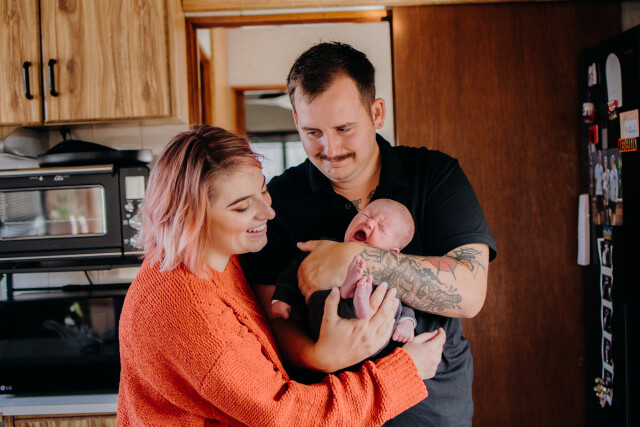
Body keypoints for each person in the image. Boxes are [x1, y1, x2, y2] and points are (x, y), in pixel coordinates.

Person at [117, 125, 447, 426]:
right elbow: (287, 416)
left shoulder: (216, 256)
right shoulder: (190, 314)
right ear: (192, 217)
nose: (268, 211)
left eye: (263, 190)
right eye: (242, 207)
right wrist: (405, 372)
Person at [241, 42, 497, 426]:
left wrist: (352, 258)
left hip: (432, 412)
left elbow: (470, 292)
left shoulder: (434, 175)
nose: (330, 148)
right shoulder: (278, 200)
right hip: (334, 412)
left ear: (376, 113)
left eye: (344, 129)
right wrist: (324, 356)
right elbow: (273, 322)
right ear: (296, 119)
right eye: (312, 131)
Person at [271, 199, 417, 346]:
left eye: (381, 228)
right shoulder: (326, 249)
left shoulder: (389, 272)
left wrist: (407, 320)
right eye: (366, 215)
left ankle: (353, 295)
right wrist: (282, 297)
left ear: (391, 253)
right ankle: (351, 295)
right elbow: (295, 269)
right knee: (322, 296)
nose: (369, 223)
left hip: (368, 338)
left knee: (390, 295)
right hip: (326, 326)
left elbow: (404, 299)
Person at [594, 151, 604, 224]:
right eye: (598, 157)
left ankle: (601, 222)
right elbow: (596, 180)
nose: (599, 158)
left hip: (602, 191)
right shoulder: (596, 167)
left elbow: (602, 180)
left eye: (600, 157)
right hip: (597, 192)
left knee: (602, 210)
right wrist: (595, 192)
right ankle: (598, 222)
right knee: (598, 210)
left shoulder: (602, 167)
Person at [608, 154, 618, 226]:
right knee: (609, 211)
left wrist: (616, 197)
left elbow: (616, 185)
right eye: (611, 160)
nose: (612, 162)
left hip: (614, 197)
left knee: (614, 213)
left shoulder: (615, 171)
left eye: (613, 160)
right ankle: (611, 223)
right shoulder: (610, 171)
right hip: (610, 196)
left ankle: (613, 224)